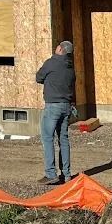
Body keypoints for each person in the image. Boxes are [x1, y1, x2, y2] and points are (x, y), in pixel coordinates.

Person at [36, 40, 75, 185]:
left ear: (60, 49)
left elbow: (38, 77)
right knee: (63, 139)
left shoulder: (51, 63)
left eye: (57, 46)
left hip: (53, 106)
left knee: (47, 138)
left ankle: (51, 173)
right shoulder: (70, 67)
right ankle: (67, 174)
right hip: (66, 106)